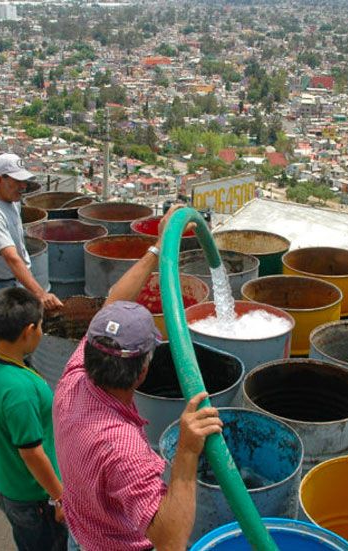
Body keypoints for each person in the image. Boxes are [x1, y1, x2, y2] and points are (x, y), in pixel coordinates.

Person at [53, 205, 222, 551]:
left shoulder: (73, 378)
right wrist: (188, 453)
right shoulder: (122, 447)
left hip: (82, 532)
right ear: (143, 371)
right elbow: (170, 541)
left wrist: (158, 247)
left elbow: (112, 304)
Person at [0, 288, 67, 550]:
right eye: (40, 326)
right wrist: (59, 498)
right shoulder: (20, 391)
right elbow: (32, 453)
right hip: (33, 498)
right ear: (29, 331)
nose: (41, 331)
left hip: (7, 481)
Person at [0, 152, 62, 310]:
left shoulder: (12, 201)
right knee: (10, 333)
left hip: (18, 280)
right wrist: (40, 294)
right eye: (17, 181)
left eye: (24, 181)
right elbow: (11, 258)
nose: (23, 186)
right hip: (2, 287)